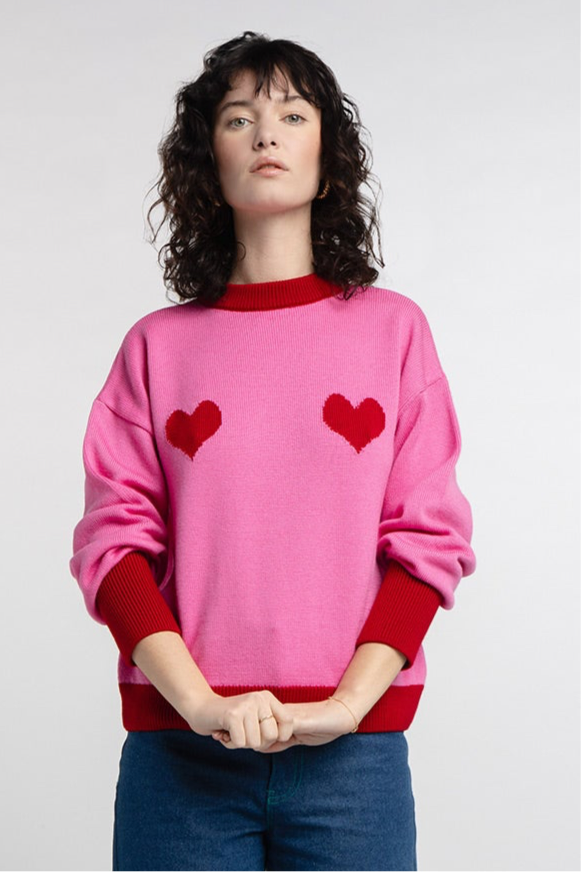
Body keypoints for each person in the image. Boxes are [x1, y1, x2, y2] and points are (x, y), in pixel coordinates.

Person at [70, 30, 476, 872]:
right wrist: (197, 703)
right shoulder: (155, 347)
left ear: (328, 163)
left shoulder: (393, 332)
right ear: (206, 164)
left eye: (292, 115)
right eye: (237, 117)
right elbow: (112, 546)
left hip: (353, 761)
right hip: (179, 761)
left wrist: (349, 704)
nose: (265, 133)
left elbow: (427, 537)